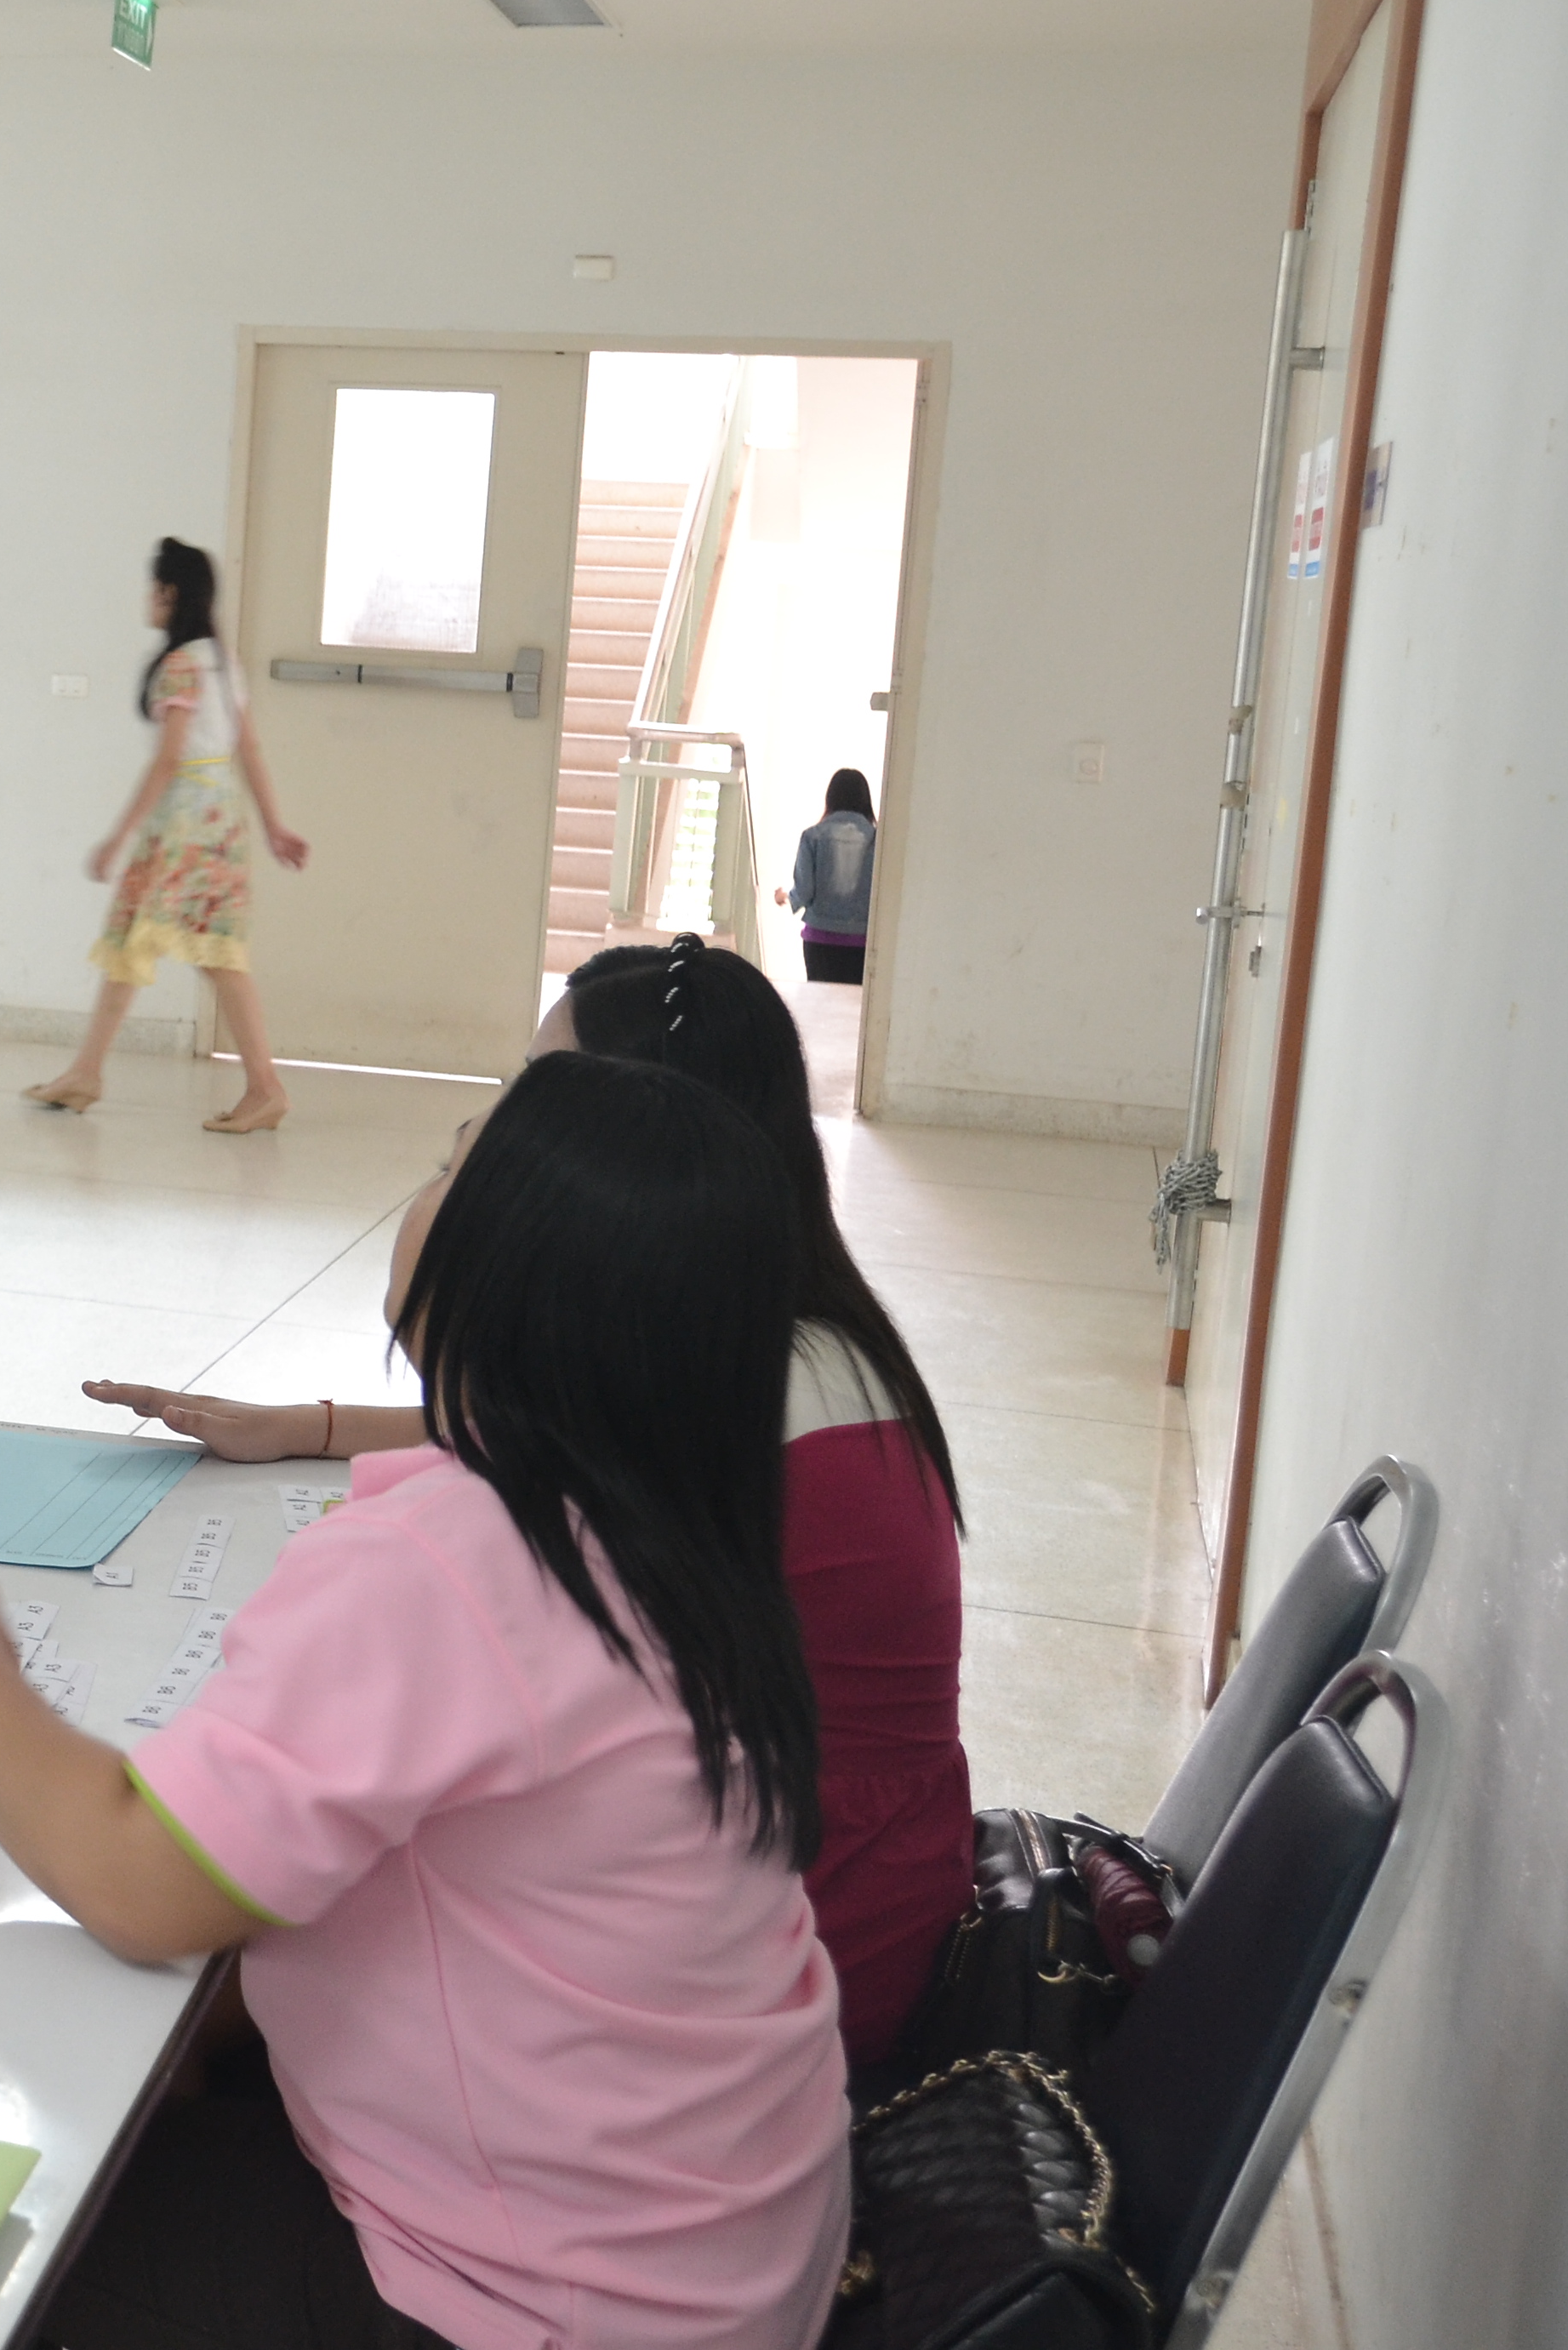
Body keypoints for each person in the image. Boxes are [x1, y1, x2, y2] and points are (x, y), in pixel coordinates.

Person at [0, 1051, 852, 2350]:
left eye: (452, 1165)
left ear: (508, 1266)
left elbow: (133, 1879)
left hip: (538, 2307)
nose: (420, 1186)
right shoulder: (677, 1525)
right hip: (716, 2265)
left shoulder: (453, 1563)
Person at [91, 934, 970, 2071]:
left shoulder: (757, 1391)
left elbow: (541, 1480)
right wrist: (313, 1426)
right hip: (817, 1890)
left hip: (799, 1945)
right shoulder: (791, 1336)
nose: (510, 1139)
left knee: (228, 1958)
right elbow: (584, 1432)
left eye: (537, 1101)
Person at [24, 538, 312, 1132]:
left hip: (184, 824)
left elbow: (168, 760)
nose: (147, 598)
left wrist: (117, 837)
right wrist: (272, 825)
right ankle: (89, 1072)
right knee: (175, 946)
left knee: (177, 948)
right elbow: (249, 748)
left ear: (169, 592)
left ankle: (260, 1087)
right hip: (219, 820)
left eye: (153, 588)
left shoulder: (182, 665)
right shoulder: (221, 661)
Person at [778, 767, 878, 984]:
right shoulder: (878, 840)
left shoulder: (812, 837)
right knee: (856, 1003)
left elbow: (804, 891)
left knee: (820, 1000)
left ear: (830, 798)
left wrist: (786, 897)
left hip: (819, 940)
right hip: (863, 941)